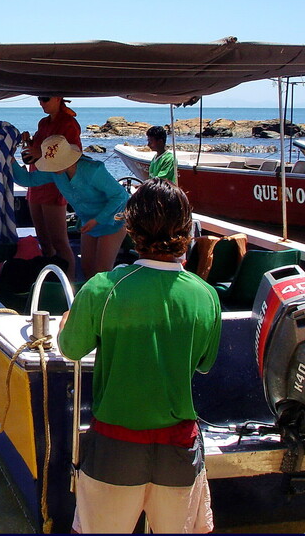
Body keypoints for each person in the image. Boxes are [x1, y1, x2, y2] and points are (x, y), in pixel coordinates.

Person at [57, 178, 222, 534]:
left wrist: (69, 319)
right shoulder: (206, 295)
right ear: (186, 229)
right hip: (180, 447)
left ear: (131, 228)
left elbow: (70, 348)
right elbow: (203, 363)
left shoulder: (103, 289)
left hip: (116, 446)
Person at [11, 134, 128, 279]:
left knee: (101, 272)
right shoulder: (56, 172)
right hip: (88, 222)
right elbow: (28, 180)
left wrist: (98, 219)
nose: (52, 167)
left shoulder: (93, 170)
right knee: (87, 269)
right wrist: (10, 160)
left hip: (113, 219)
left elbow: (121, 196)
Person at [19, 96, 82, 277]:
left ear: (58, 98)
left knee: (59, 241)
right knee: (45, 241)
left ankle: (68, 285)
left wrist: (39, 152)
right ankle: (53, 282)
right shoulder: (44, 123)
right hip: (36, 184)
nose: (41, 103)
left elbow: (72, 154)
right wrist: (29, 143)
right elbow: (40, 151)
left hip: (54, 184)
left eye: (45, 99)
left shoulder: (69, 124)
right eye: (39, 99)